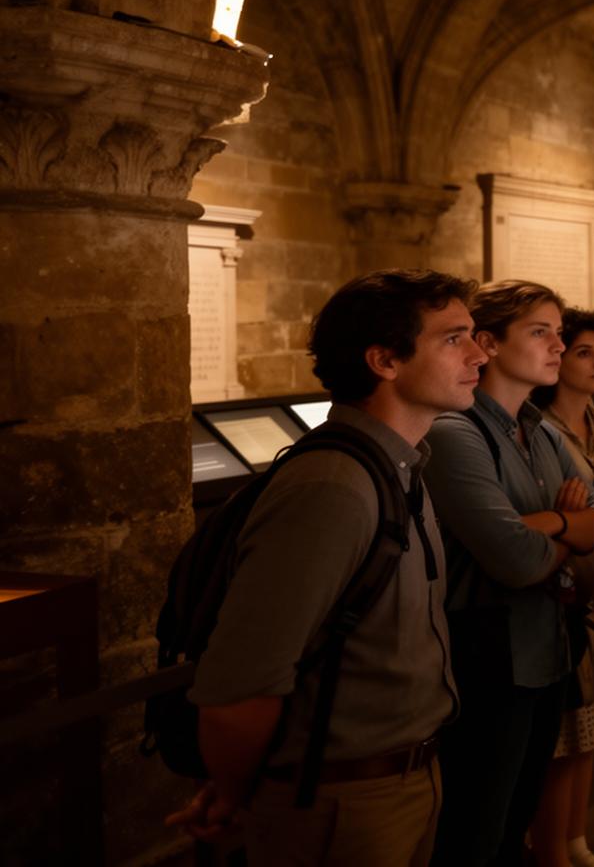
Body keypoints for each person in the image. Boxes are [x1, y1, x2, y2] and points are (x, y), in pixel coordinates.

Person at [168, 269, 478, 865]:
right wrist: (235, 793)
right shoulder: (333, 488)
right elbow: (241, 684)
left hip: (403, 781)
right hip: (340, 797)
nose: (477, 353)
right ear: (385, 360)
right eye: (453, 338)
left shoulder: (401, 468)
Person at [424, 281, 594, 867]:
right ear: (488, 343)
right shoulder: (455, 432)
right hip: (488, 658)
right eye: (540, 332)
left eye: (558, 332)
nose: (559, 345)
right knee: (477, 828)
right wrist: (565, 521)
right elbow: (515, 559)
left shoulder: (541, 428)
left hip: (546, 650)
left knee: (514, 823)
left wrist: (546, 524)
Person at [529, 308, 594, 867]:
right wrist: (584, 515)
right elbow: (564, 511)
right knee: (563, 734)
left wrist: (589, 511)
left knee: (589, 730)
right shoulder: (543, 432)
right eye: (584, 351)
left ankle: (577, 838)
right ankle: (551, 843)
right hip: (567, 588)